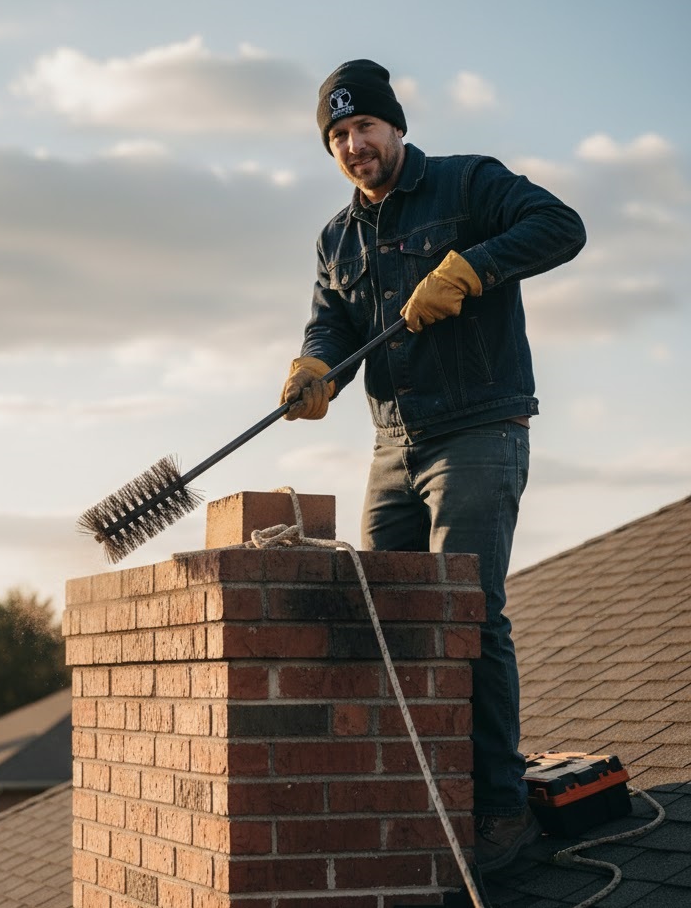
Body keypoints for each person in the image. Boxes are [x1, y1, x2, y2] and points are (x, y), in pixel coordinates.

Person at [281, 59, 585, 874]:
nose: (353, 144)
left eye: (364, 127)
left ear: (396, 125)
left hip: (480, 428)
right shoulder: (336, 238)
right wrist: (315, 369)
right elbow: (331, 329)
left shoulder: (467, 183)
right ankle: (413, 796)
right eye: (338, 135)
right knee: (386, 618)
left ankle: (499, 811)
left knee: (467, 613)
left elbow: (563, 225)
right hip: (393, 444)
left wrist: (473, 266)